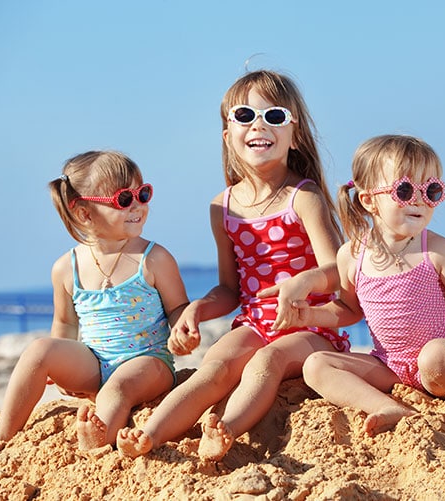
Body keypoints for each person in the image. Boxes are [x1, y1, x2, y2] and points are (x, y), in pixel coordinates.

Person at [117, 70, 348, 461]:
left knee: (268, 360)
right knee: (216, 366)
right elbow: (231, 289)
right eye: (245, 116)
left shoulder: (303, 197)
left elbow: (339, 270)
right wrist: (197, 309)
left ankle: (228, 428)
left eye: (274, 116)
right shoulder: (221, 207)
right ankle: (149, 434)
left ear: (295, 135)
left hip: (309, 325)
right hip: (256, 322)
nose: (259, 125)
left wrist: (303, 283)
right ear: (228, 136)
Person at [282, 134, 445, 436]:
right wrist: (311, 316)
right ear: (368, 201)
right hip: (388, 367)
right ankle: (391, 408)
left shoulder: (436, 251)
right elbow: (349, 309)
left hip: (439, 370)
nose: (419, 200)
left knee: (437, 354)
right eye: (404, 190)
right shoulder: (352, 256)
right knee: (316, 365)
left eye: (431, 190)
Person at [0, 151, 189, 453]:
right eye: (124, 200)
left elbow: (177, 307)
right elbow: (64, 323)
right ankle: (4, 433)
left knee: (119, 387)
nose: (139, 207)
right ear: (85, 213)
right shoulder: (67, 267)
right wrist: (59, 365)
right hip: (94, 363)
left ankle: (99, 440)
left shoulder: (154, 258)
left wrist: (183, 328)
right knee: (39, 350)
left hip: (148, 363)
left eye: (143, 194)